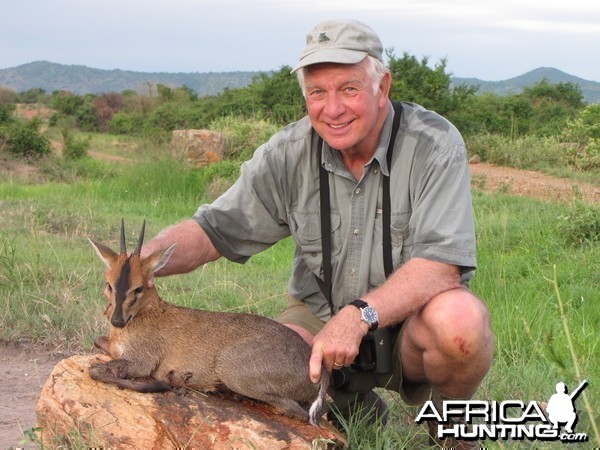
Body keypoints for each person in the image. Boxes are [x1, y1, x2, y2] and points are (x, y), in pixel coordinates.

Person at [141, 19, 494, 446]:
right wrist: (141, 262)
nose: (332, 109)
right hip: (318, 323)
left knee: (461, 321)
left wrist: (359, 314)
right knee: (253, 362)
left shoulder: (434, 144)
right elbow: (214, 230)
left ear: (382, 88)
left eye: (348, 89)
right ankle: (349, 406)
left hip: (408, 327)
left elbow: (441, 268)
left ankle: (453, 431)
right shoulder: (288, 152)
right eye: (317, 93)